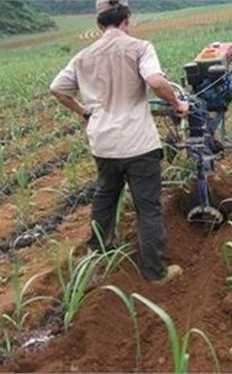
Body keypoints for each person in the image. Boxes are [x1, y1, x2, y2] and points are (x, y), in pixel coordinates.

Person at [49, 0, 188, 285]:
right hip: (138, 145)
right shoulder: (140, 47)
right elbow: (156, 81)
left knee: (105, 198)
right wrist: (177, 103)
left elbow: (58, 89)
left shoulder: (83, 57)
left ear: (100, 25)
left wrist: (84, 111)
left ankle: (98, 258)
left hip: (104, 144)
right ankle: (155, 272)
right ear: (127, 19)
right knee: (147, 208)